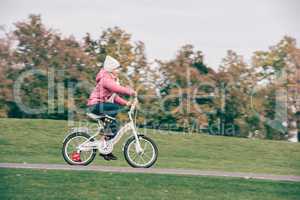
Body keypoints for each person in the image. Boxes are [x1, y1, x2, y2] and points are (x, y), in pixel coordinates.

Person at [87, 55, 136, 160]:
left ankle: (106, 151)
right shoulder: (106, 79)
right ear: (111, 69)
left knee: (114, 127)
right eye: (116, 68)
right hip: (95, 105)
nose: (118, 71)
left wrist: (127, 103)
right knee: (114, 108)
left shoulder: (110, 79)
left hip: (100, 106)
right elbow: (117, 89)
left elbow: (114, 97)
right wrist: (130, 91)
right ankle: (106, 132)